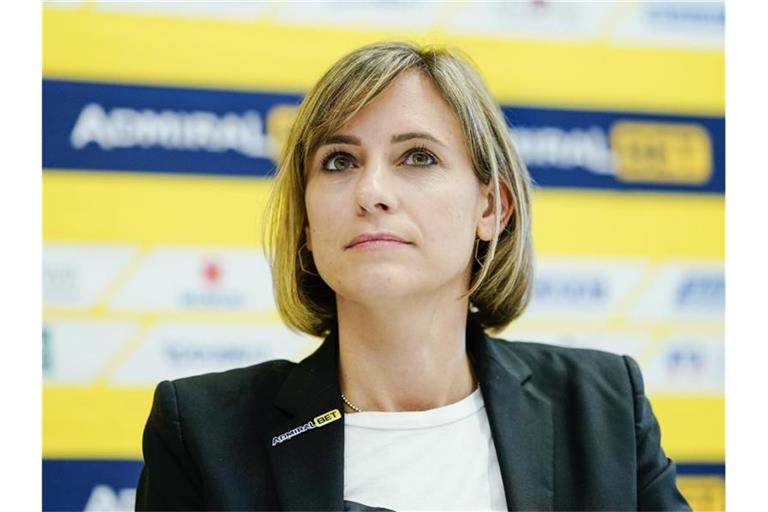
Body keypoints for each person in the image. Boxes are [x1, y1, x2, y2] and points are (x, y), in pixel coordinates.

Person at [136, 42, 690, 511]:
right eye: (339, 161)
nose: (371, 191)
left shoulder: (604, 406)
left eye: (418, 157)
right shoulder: (204, 432)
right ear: (306, 222)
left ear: (491, 207)